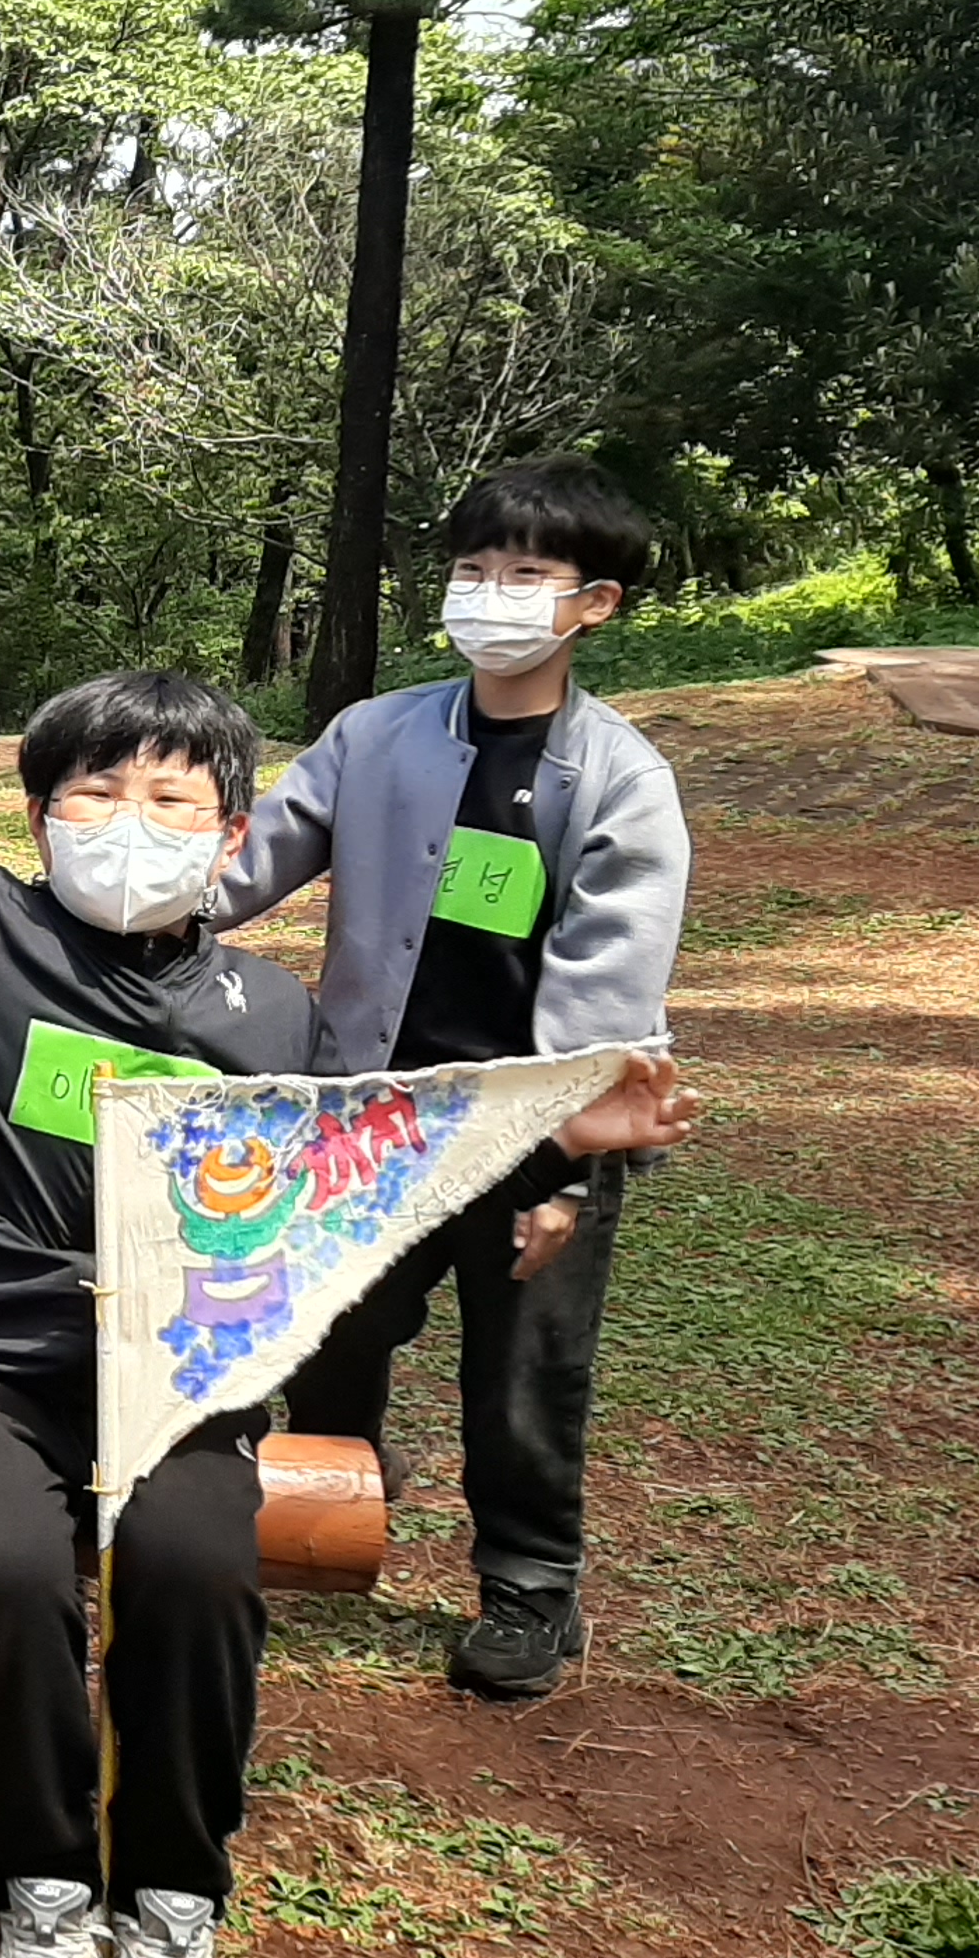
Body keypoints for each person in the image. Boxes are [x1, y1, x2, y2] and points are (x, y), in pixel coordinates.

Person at [0, 563, 699, 1958]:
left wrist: (565, 1129)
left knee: (194, 1575)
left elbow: (372, 1172)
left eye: (173, 799)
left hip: (174, 1380)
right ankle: (42, 1891)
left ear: (235, 838)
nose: (132, 821)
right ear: (39, 815)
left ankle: (172, 1903)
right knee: (5, 1568)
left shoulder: (268, 1018)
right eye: (96, 790)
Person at [211, 458, 690, 1702]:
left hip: (533, 1133)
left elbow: (610, 990)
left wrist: (565, 1176)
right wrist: (131, 892)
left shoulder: (620, 780)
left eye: (526, 574)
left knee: (523, 1371)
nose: (490, 594)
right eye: (474, 570)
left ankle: (531, 1590)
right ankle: (325, 1516)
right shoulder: (375, 736)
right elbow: (248, 869)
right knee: (332, 1331)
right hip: (372, 1113)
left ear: (594, 604)